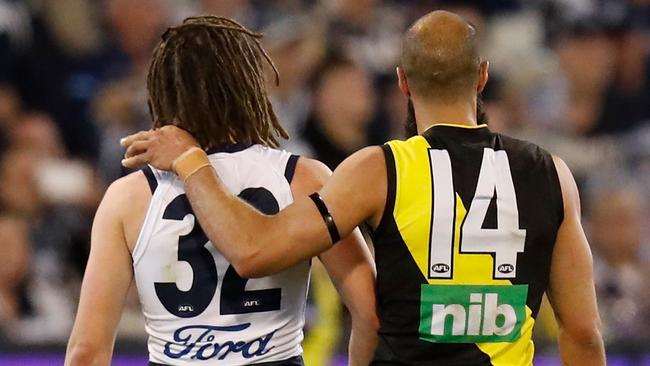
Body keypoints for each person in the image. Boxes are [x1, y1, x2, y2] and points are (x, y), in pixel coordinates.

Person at [122, 11, 606, 365]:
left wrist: (191, 162)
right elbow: (583, 334)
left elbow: (253, 250)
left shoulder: (379, 169)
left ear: (401, 83)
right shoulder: (552, 174)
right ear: (482, 77)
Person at [65, 16, 378, 366]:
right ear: (249, 87)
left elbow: (87, 351)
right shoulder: (302, 179)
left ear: (161, 92)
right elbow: (370, 313)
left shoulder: (127, 198)